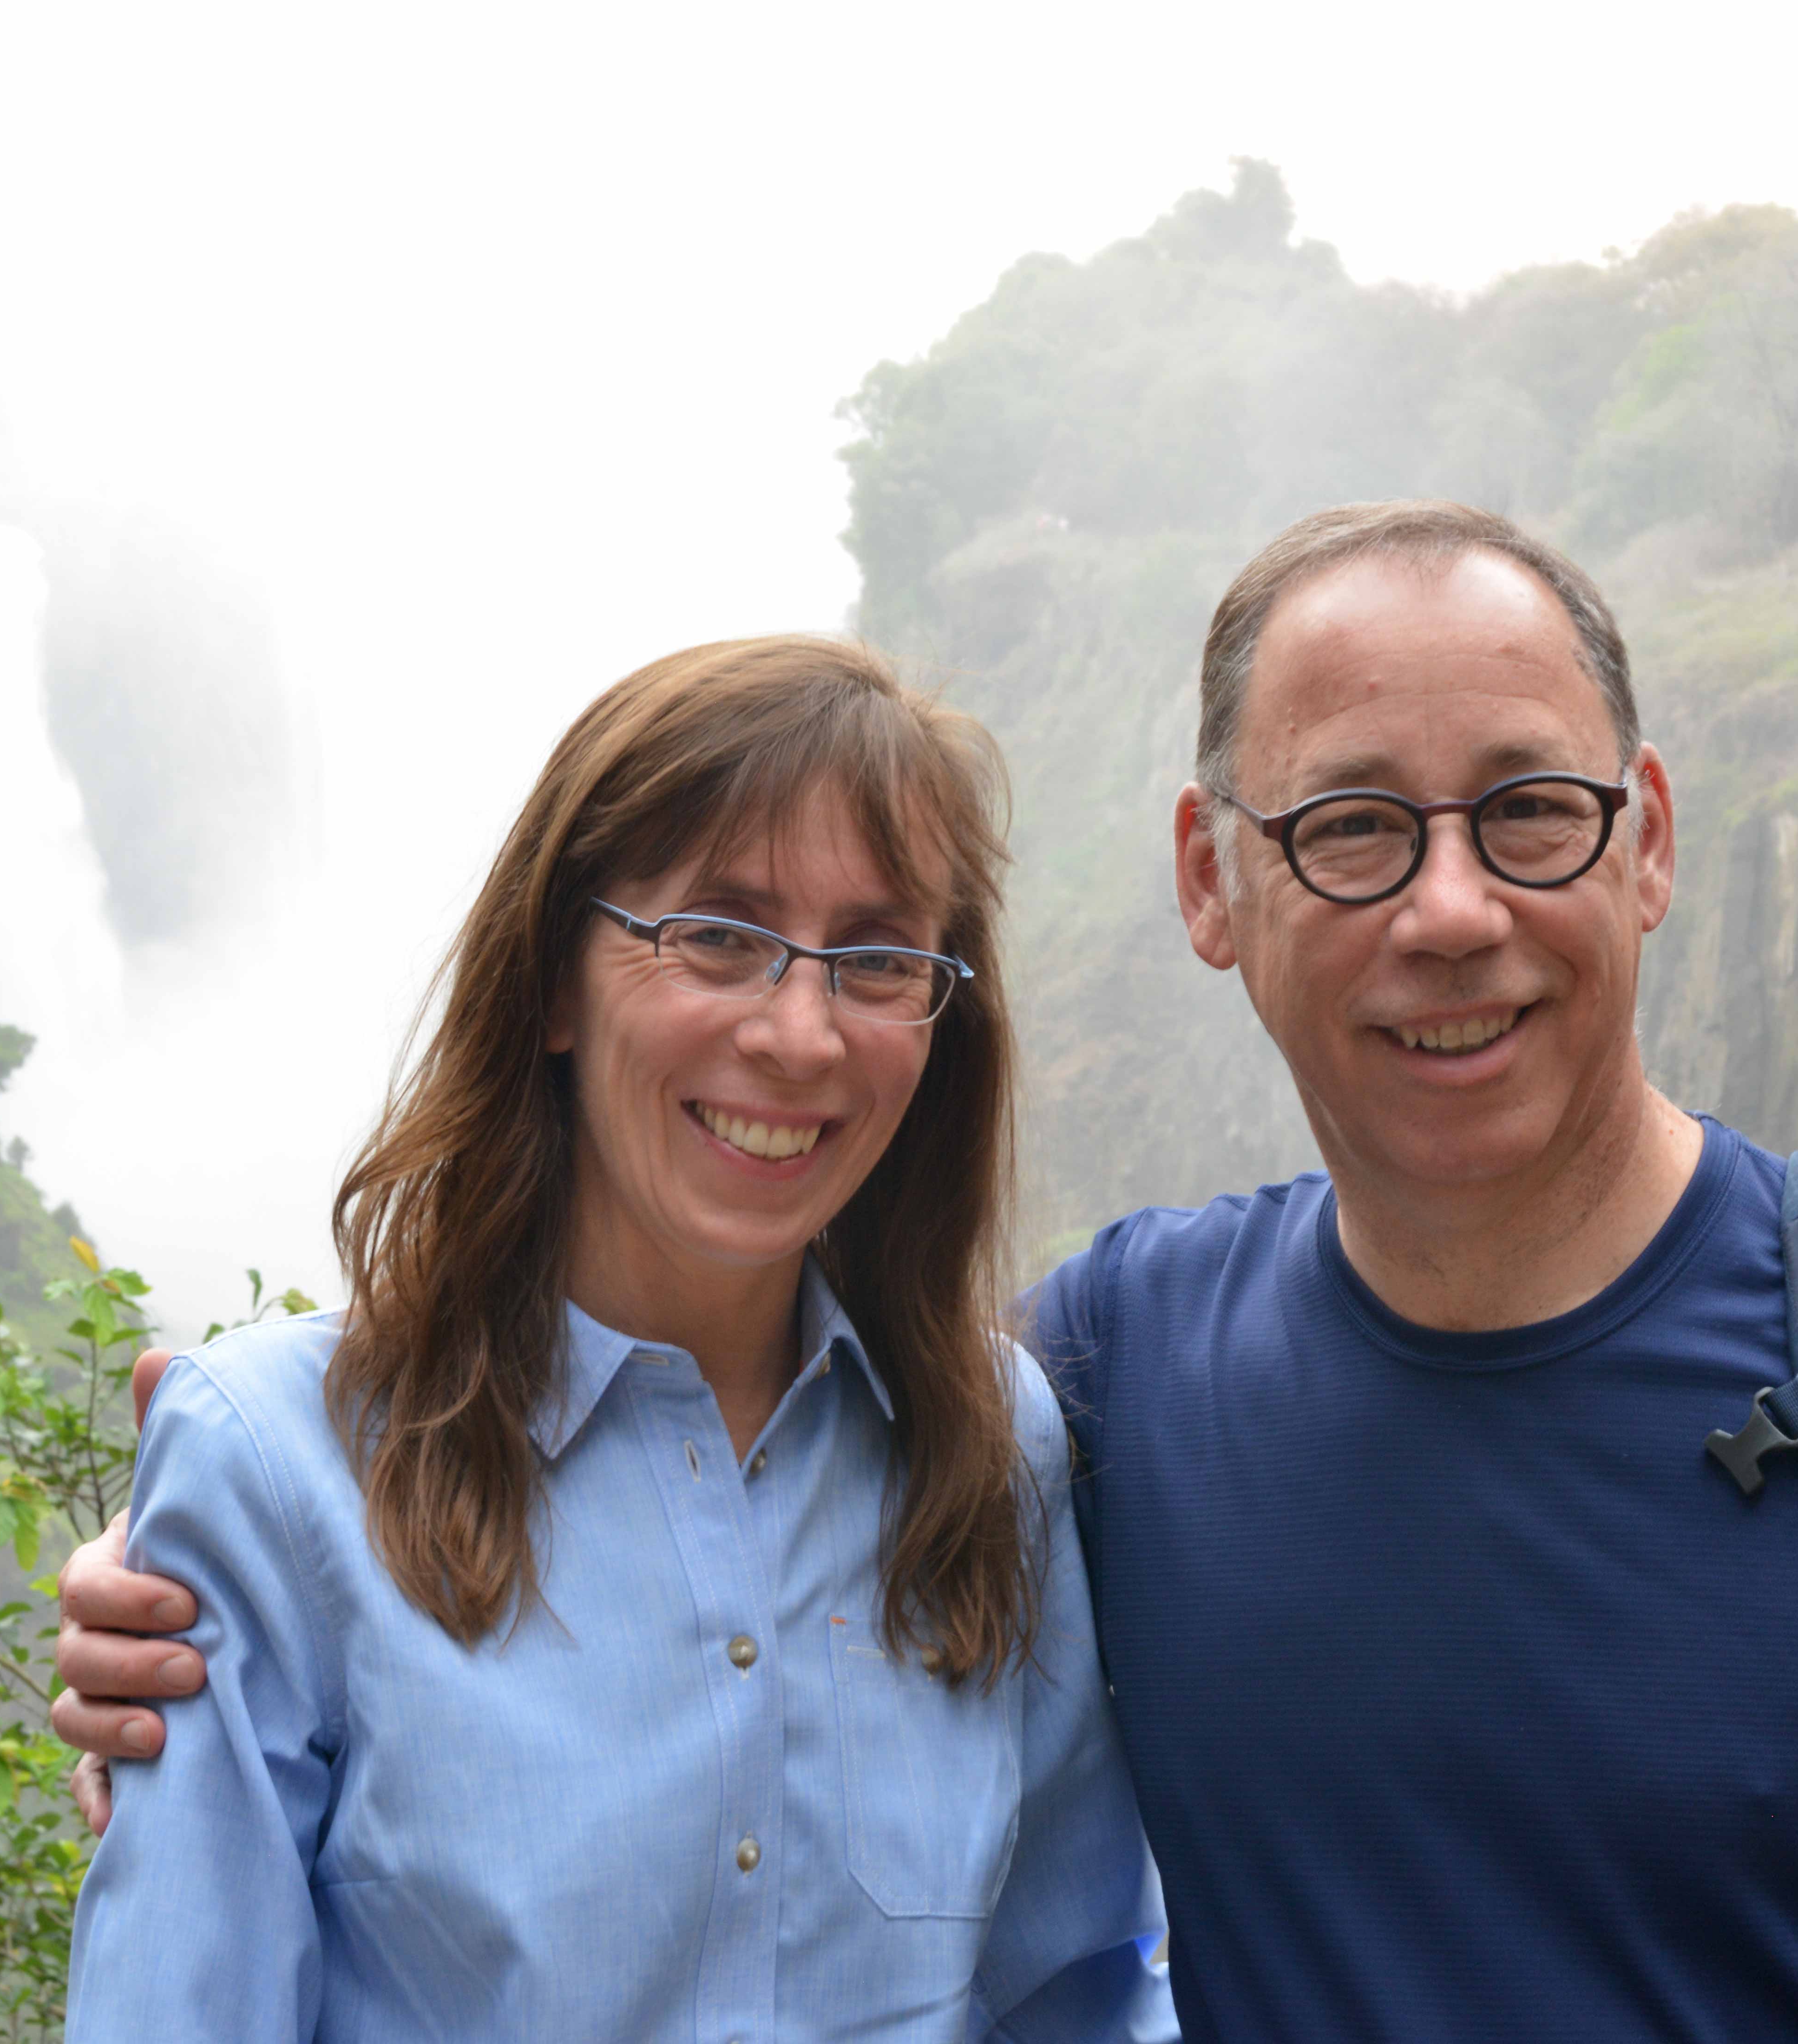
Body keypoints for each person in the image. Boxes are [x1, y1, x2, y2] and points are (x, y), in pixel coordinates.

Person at [57, 506, 1798, 2041]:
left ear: (1647, 844)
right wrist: (201, 1604)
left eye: (1525, 805)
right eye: (1347, 828)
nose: (1447, 909)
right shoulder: (1111, 1385)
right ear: (1213, 884)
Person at [59, 637, 1172, 2041]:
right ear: (552, 983)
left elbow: (1066, 1998)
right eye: (718, 934)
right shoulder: (282, 1466)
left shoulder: (988, 1441)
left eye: (880, 959)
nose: (800, 1032)